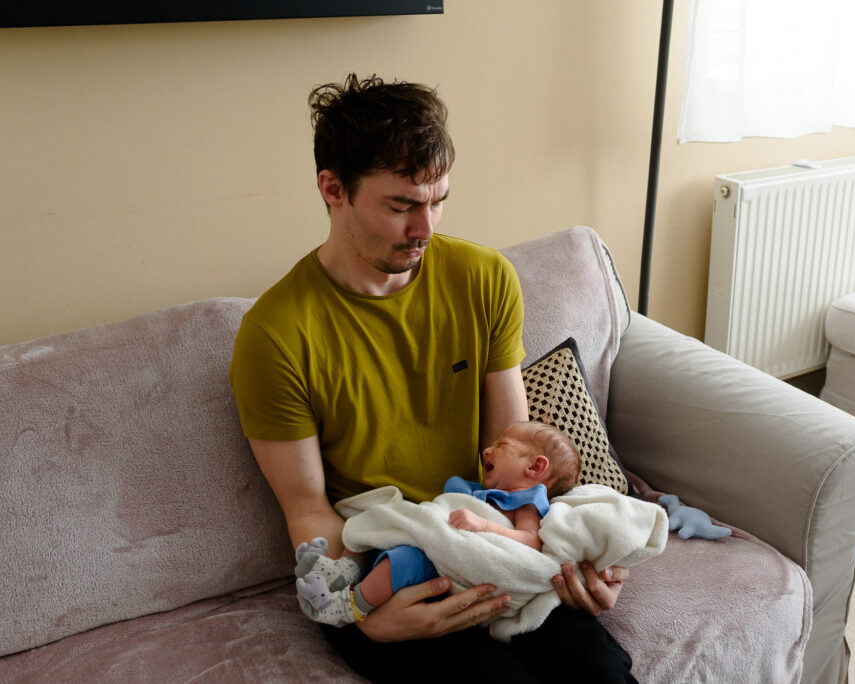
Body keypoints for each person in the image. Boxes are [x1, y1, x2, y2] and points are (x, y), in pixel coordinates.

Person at [229, 73, 634, 683]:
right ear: (333, 189)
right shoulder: (275, 335)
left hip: (487, 538)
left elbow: (512, 447)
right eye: (401, 207)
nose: (425, 228)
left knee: (601, 673)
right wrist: (364, 618)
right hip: (388, 568)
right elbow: (309, 511)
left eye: (437, 200)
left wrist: (578, 557)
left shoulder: (484, 278)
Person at [293, 420, 581, 627]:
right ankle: (342, 571)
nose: (486, 451)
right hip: (434, 541)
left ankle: (349, 606)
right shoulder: (480, 492)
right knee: (385, 523)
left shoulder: (525, 501)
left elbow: (530, 542)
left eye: (501, 445)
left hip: (449, 562)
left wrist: (485, 525)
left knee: (400, 561)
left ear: (535, 467)